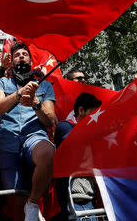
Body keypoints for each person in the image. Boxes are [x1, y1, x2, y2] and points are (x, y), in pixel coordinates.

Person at [0, 42, 56, 221]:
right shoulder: (1, 82)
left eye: (24, 54)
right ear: (11, 61)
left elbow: (50, 120)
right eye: (17, 54)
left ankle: (33, 202)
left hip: (34, 137)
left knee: (48, 153)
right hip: (7, 143)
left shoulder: (44, 86)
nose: (21, 56)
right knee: (17, 203)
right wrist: (18, 94)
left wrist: (36, 103)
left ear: (30, 60)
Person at [54, 93, 101, 221]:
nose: (97, 118)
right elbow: (73, 142)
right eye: (94, 114)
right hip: (72, 200)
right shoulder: (64, 126)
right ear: (81, 110)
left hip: (91, 198)